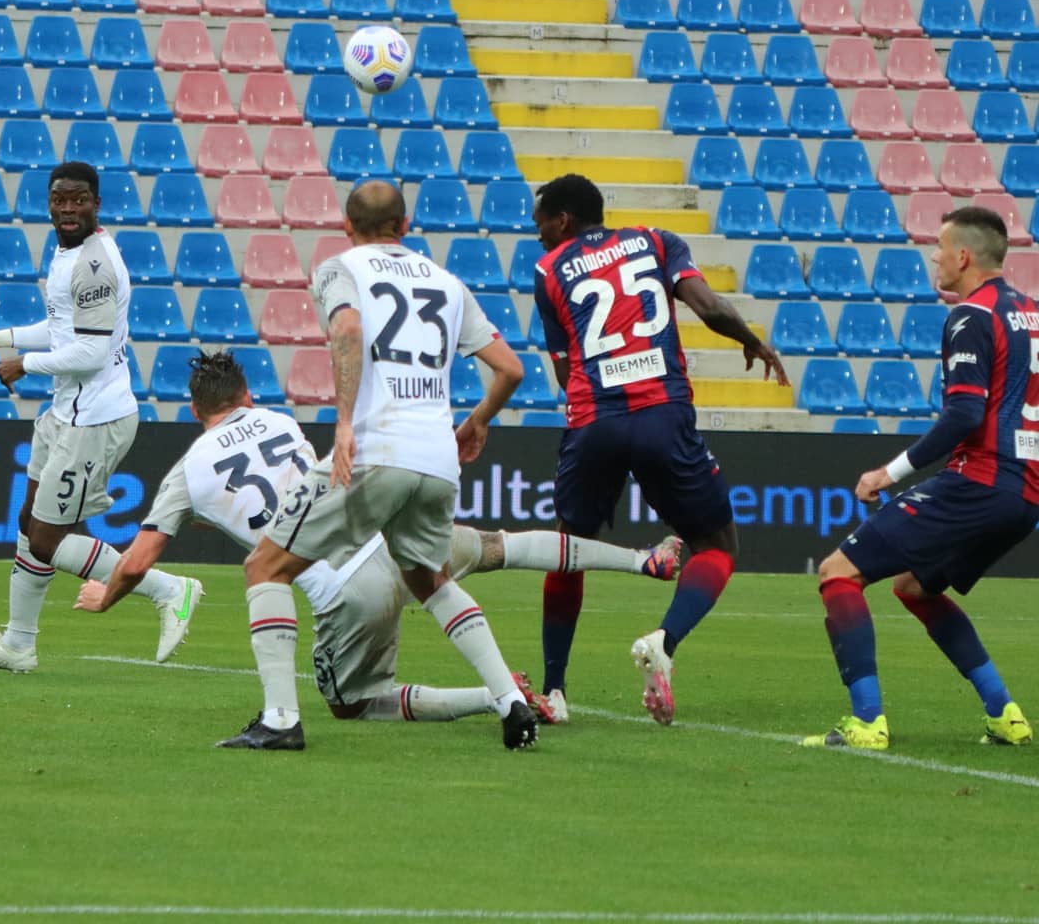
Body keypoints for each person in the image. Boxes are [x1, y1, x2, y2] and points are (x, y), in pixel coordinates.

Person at [74, 351, 681, 740]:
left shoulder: (186, 471)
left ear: (194, 411)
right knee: (502, 546)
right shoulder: (283, 423)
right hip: (390, 536)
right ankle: (641, 559)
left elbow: (140, 558)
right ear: (248, 398)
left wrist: (108, 597)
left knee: (352, 705)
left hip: (345, 587)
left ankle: (491, 696)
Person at [234, 180, 539, 751]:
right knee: (429, 577)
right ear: (405, 225)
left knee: (265, 567)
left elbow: (347, 328)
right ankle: (511, 701)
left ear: (346, 227)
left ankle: (279, 721)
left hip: (377, 451)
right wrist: (478, 421)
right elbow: (512, 369)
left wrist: (345, 423)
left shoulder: (339, 267)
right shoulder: (447, 282)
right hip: (437, 459)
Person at [531, 172, 790, 726]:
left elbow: (562, 367)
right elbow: (709, 306)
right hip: (663, 414)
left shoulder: (548, 270)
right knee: (717, 543)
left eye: (541, 225)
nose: (538, 236)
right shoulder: (657, 242)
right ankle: (664, 642)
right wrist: (753, 342)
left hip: (595, 419)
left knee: (567, 551)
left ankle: (554, 691)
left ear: (564, 221)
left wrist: (594, 403)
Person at [803, 206, 1039, 750]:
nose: (933, 255)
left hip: (979, 480)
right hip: (1023, 494)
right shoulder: (1026, 313)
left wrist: (887, 472)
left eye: (940, 246)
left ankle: (866, 722)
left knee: (838, 573)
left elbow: (963, 415)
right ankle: (1004, 713)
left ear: (963, 256)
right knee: (916, 588)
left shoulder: (971, 317)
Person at [0, 161, 198, 673]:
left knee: (49, 539)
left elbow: (88, 353)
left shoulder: (94, 266)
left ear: (97, 204)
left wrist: (23, 363)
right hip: (66, 412)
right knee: (28, 522)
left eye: (79, 200)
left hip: (96, 419)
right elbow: (61, 327)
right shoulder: (69, 252)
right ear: (49, 203)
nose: (69, 209)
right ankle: (18, 646)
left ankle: (169, 589)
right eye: (60, 200)